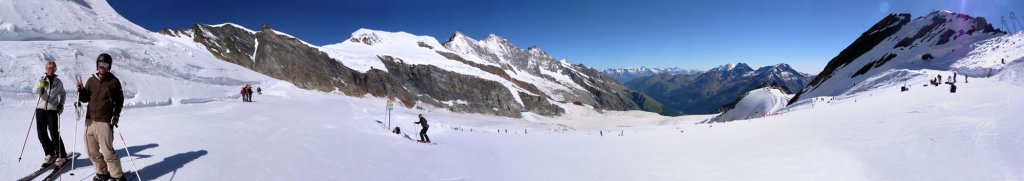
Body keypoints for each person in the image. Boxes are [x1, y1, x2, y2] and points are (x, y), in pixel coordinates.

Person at [75, 53, 127, 181]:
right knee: (90, 150)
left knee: (107, 152)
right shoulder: (91, 80)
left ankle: (117, 176)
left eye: (105, 64)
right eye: (100, 64)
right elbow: (85, 98)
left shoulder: (114, 82)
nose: (102, 67)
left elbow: (119, 101)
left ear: (109, 66)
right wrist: (81, 90)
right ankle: (102, 173)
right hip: (89, 121)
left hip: (104, 121)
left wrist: (116, 116)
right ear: (97, 65)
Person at [34, 60, 68, 168]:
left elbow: (63, 94)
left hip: (52, 110)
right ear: (45, 69)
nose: (50, 70)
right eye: (48, 68)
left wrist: (61, 105)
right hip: (40, 109)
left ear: (55, 69)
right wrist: (40, 86)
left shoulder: (58, 82)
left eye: (53, 68)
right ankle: (50, 153)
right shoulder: (41, 79)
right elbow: (34, 90)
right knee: (41, 134)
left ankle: (62, 155)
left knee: (54, 132)